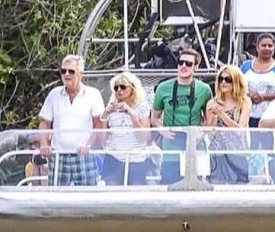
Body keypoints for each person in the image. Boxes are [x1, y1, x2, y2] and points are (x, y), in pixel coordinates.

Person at [37, 54, 105, 186]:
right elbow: (44, 123)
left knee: (87, 197)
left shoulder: (93, 94)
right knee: (56, 197)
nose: (66, 74)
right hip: (59, 155)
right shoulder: (54, 94)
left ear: (81, 74)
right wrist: (44, 144)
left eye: (71, 71)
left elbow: (99, 125)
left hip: (84, 155)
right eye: (63, 71)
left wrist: (89, 145)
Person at [152, 48, 212, 184]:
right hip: (171, 145)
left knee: (198, 188)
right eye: (181, 62)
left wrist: (200, 134)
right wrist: (162, 130)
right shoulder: (163, 87)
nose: (184, 66)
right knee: (169, 185)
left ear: (196, 67)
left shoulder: (204, 89)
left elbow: (209, 120)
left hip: (195, 145)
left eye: (189, 64)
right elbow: (154, 118)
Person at [241, 33, 275, 167]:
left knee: (270, 153)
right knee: (249, 151)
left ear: (274, 48)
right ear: (257, 47)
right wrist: (250, 95)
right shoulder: (245, 66)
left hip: (270, 119)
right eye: (263, 45)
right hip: (248, 117)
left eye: (270, 46)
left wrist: (263, 97)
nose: (267, 48)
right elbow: (237, 87)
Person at [100, 72, 151, 186]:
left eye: (123, 87)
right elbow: (103, 139)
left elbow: (144, 137)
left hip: (136, 158)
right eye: (116, 87)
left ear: (132, 88)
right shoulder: (111, 107)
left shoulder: (142, 106)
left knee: (136, 196)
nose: (119, 90)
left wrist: (131, 114)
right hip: (114, 157)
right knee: (112, 196)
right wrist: (105, 115)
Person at [204, 65, 251, 184]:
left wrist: (221, 113)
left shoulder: (244, 102)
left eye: (228, 79)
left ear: (235, 81)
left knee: (240, 187)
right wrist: (214, 115)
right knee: (216, 185)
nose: (223, 82)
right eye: (221, 79)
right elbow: (210, 132)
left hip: (237, 152)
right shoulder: (211, 103)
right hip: (217, 153)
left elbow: (240, 130)